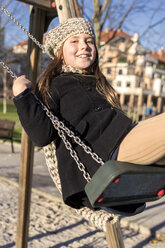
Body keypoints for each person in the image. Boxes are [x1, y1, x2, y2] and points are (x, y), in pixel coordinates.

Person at [12, 18, 165, 213]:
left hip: (125, 140)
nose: (84, 46)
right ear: (59, 52)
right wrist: (21, 95)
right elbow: (42, 135)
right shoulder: (55, 85)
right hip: (107, 157)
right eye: (74, 41)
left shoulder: (99, 82)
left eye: (89, 40)